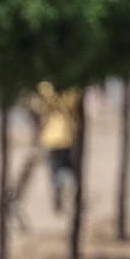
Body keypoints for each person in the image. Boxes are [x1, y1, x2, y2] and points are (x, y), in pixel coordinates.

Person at [32, 82, 84, 214]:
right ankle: (67, 184)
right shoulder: (72, 89)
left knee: (54, 169)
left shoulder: (46, 87)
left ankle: (59, 191)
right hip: (68, 135)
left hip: (50, 136)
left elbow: (37, 107)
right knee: (68, 166)